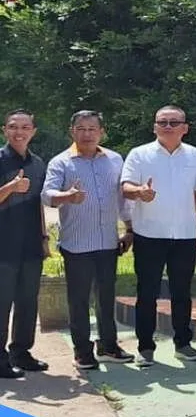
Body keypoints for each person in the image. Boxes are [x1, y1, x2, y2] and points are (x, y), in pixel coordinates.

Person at [41, 111, 135, 371]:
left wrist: (129, 229)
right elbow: (47, 195)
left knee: (106, 297)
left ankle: (108, 346)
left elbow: (122, 199)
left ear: (101, 132)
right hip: (77, 244)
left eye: (92, 129)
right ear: (72, 131)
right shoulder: (61, 162)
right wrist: (67, 196)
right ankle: (82, 351)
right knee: (79, 300)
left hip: (107, 242)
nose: (87, 133)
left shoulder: (115, 159)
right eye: (81, 129)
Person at [121, 105, 196, 366]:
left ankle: (183, 343)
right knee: (147, 293)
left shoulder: (194, 155)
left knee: (182, 292)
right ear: (154, 126)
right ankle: (145, 347)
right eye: (163, 122)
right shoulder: (139, 154)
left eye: (173, 122)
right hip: (149, 233)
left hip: (184, 233)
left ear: (185, 127)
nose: (168, 127)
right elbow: (125, 187)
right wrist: (140, 192)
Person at [0, 110, 50, 378]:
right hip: (3, 246)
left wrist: (43, 238)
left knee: (28, 301)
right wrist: (9, 188)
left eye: (25, 127)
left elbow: (38, 206)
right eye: (13, 127)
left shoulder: (38, 163)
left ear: (33, 131)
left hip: (30, 244)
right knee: (1, 303)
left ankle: (21, 352)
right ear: (4, 130)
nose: (19, 132)